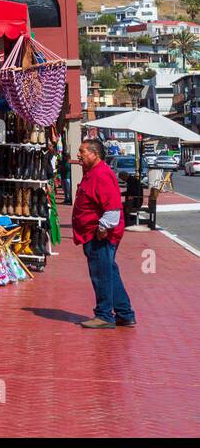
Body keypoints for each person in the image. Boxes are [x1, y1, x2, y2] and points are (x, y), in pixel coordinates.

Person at [73, 139, 136, 328]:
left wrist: (102, 229)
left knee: (101, 274)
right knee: (109, 272)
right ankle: (124, 313)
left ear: (95, 154)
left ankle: (104, 315)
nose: (79, 155)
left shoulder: (102, 174)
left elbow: (113, 207)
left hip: (100, 235)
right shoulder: (91, 173)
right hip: (93, 233)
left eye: (82, 151)